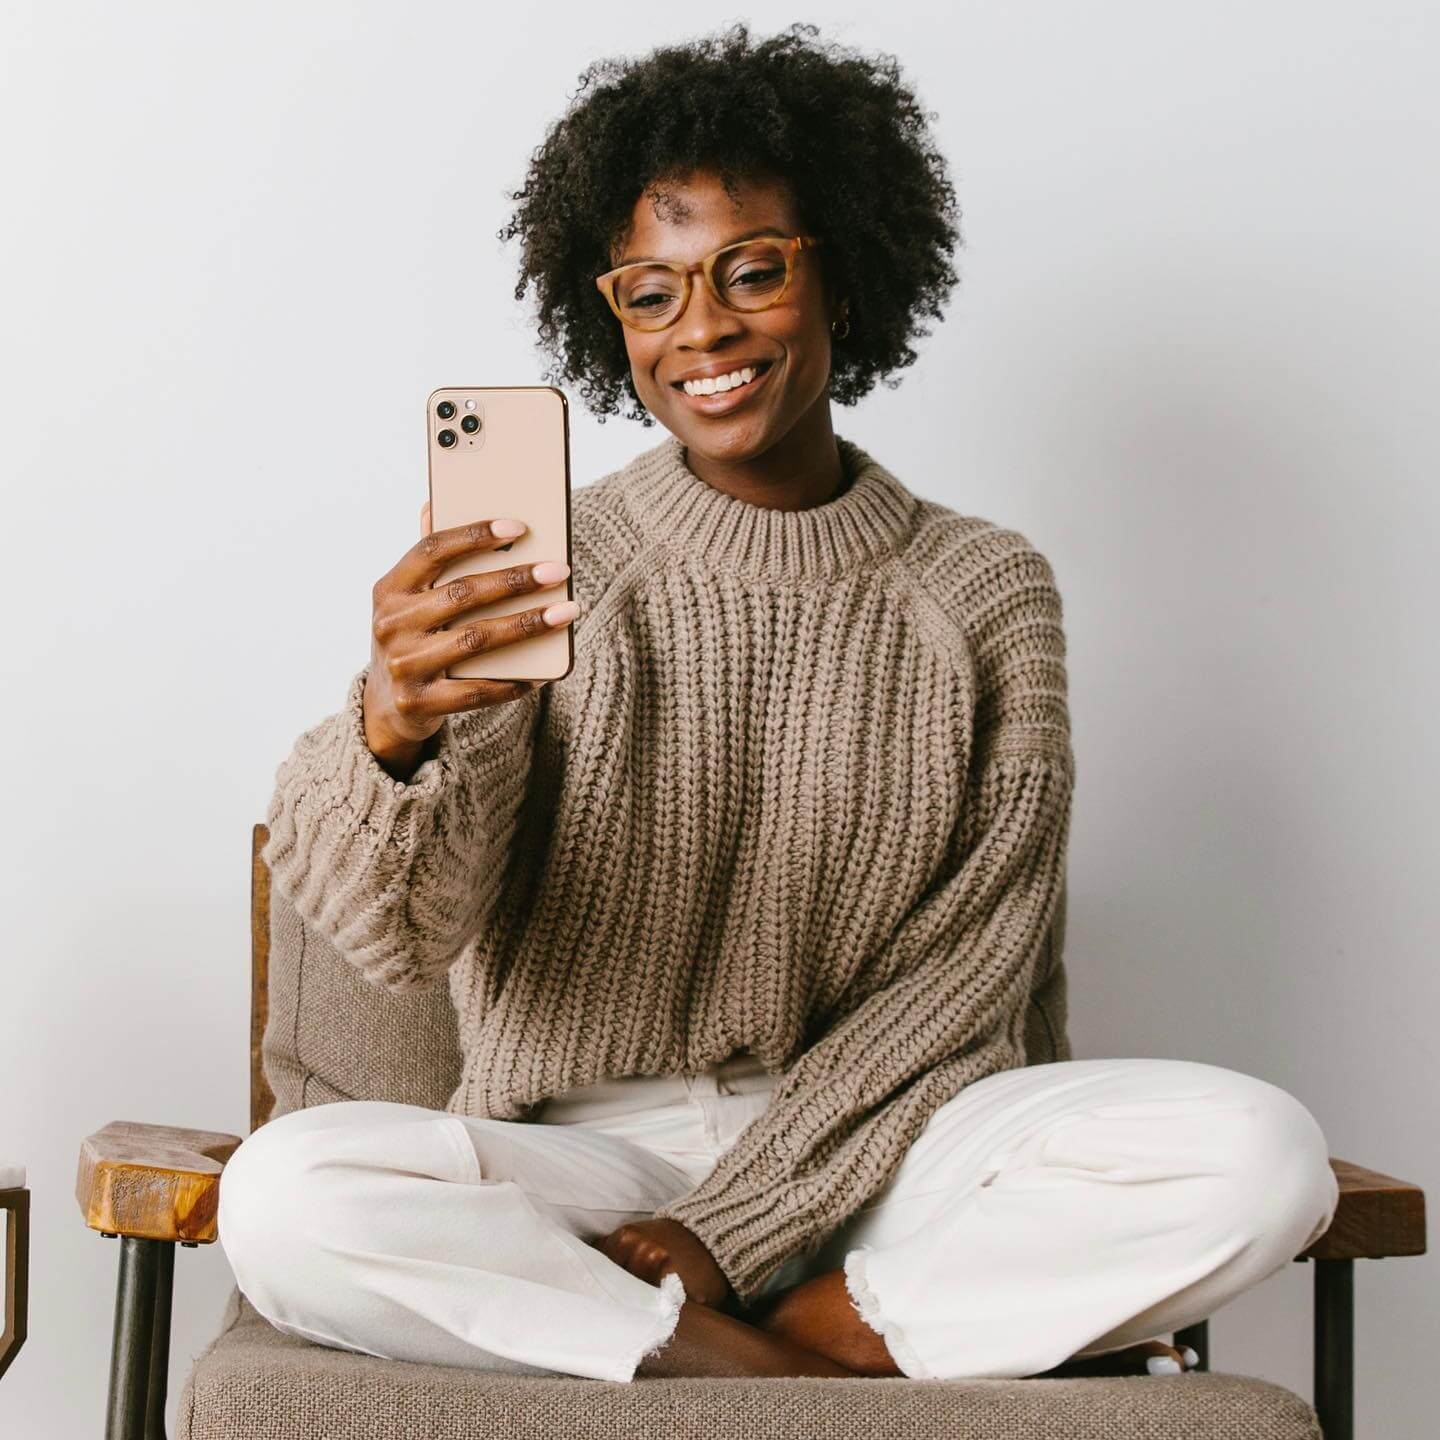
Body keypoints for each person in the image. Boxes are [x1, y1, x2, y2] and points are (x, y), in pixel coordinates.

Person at [219, 23, 1339, 1384]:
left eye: (752, 271)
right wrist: (395, 731)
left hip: (898, 1152)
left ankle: (778, 1328)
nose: (703, 328)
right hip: (591, 1159)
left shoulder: (982, 590)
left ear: (846, 284)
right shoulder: (557, 569)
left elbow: (968, 979)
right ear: (611, 316)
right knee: (286, 1196)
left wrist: (734, 1232)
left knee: (1263, 1153)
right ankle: (783, 1373)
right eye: (651, 291)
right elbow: (395, 932)